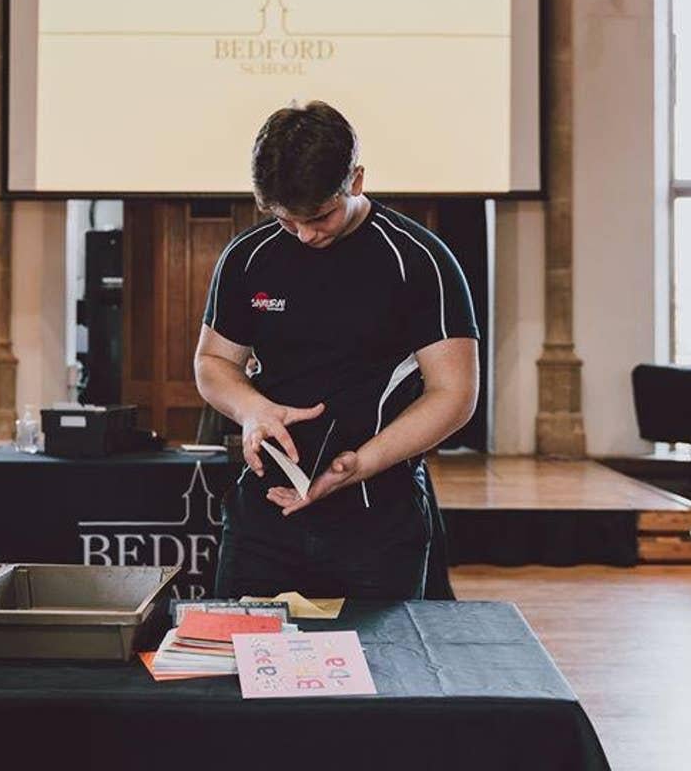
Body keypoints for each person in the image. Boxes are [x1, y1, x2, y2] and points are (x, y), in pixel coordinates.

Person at [194, 100, 479, 600]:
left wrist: (359, 465)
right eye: (285, 221)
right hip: (265, 513)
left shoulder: (419, 260)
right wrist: (253, 409)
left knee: (383, 672)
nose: (304, 235)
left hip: (376, 510)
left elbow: (454, 393)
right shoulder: (247, 258)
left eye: (319, 216)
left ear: (356, 180)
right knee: (239, 666)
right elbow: (213, 362)